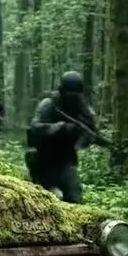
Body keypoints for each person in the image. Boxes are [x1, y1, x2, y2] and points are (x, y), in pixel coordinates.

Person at [25, 71, 108, 203]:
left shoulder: (84, 109)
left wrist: (81, 139)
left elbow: (91, 133)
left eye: (75, 95)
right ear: (62, 91)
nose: (72, 98)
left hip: (65, 161)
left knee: (75, 197)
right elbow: (34, 128)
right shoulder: (49, 104)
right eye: (69, 94)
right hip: (42, 159)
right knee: (41, 200)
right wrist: (59, 127)